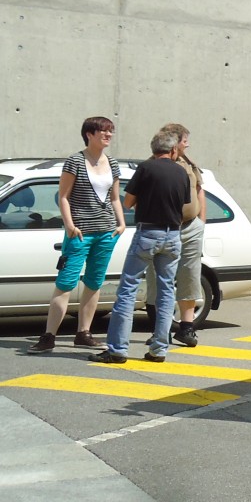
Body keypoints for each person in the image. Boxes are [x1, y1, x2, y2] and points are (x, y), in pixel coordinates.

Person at [90, 127, 190, 365]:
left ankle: (117, 349)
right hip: (173, 235)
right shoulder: (181, 172)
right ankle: (158, 349)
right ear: (173, 150)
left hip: (148, 232)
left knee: (128, 289)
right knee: (167, 292)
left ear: (154, 150)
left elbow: (128, 200)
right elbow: (185, 205)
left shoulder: (145, 168)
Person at [27, 117, 126, 353]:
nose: (108, 135)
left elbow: (114, 198)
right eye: (103, 131)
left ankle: (84, 333)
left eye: (110, 131)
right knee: (65, 283)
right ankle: (48, 336)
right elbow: (63, 196)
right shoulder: (75, 161)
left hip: (106, 232)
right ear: (89, 134)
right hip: (80, 233)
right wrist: (70, 225)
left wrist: (121, 224)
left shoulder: (112, 163)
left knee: (94, 282)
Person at [144, 123, 205, 347]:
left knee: (190, 274)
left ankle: (186, 328)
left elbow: (199, 190)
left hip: (190, 228)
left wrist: (201, 222)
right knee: (158, 279)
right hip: (162, 229)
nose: (188, 144)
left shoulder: (189, 163)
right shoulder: (153, 165)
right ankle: (161, 329)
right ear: (175, 142)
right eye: (185, 140)